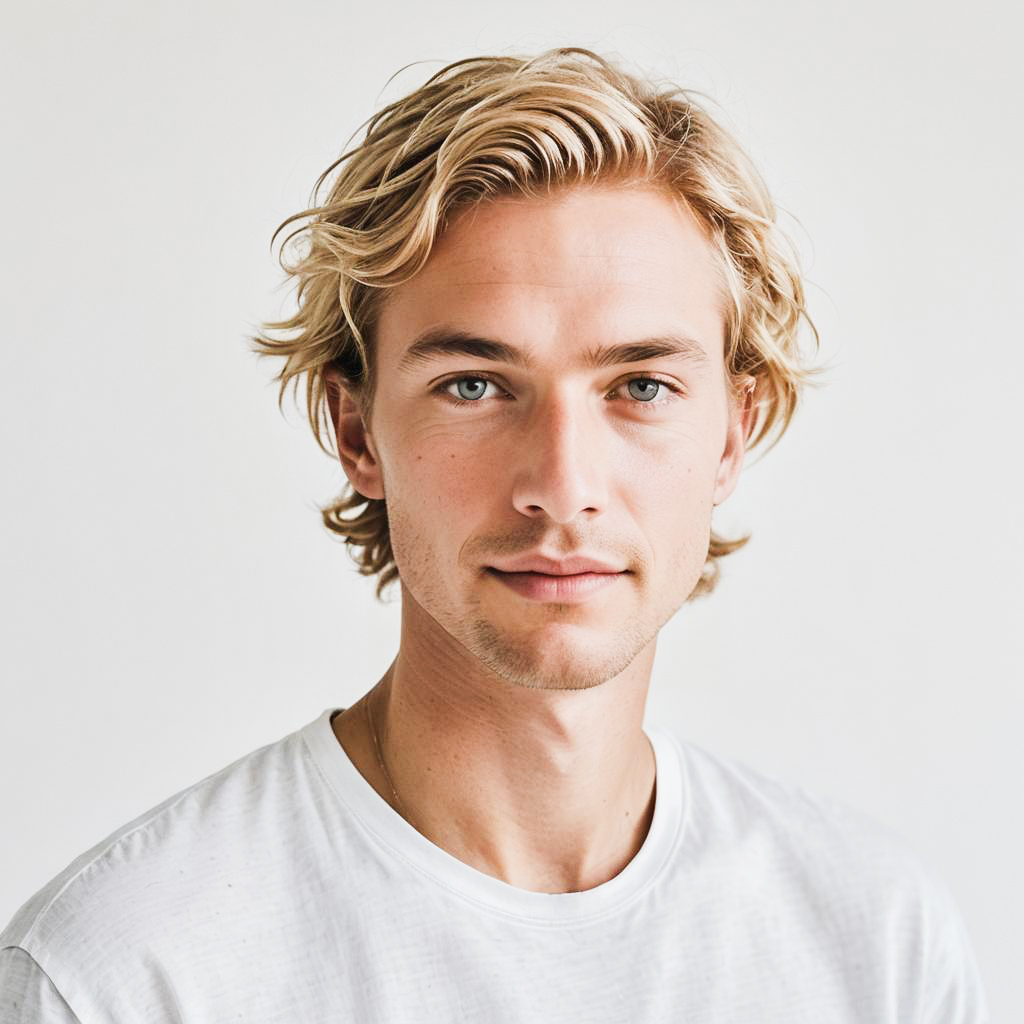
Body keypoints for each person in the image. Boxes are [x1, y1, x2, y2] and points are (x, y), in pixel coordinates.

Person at [0, 47, 989, 1022]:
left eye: (640, 387)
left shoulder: (876, 945)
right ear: (359, 434)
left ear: (730, 434)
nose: (561, 488)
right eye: (473, 385)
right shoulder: (124, 977)